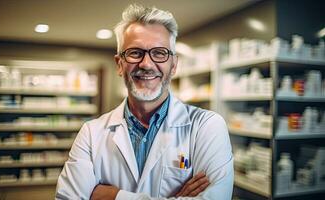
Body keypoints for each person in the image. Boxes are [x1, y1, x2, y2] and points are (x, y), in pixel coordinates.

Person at [56, 4, 233, 200]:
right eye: (135, 52)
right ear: (119, 64)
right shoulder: (91, 133)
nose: (146, 64)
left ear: (173, 65)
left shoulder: (206, 126)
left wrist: (113, 196)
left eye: (159, 53)